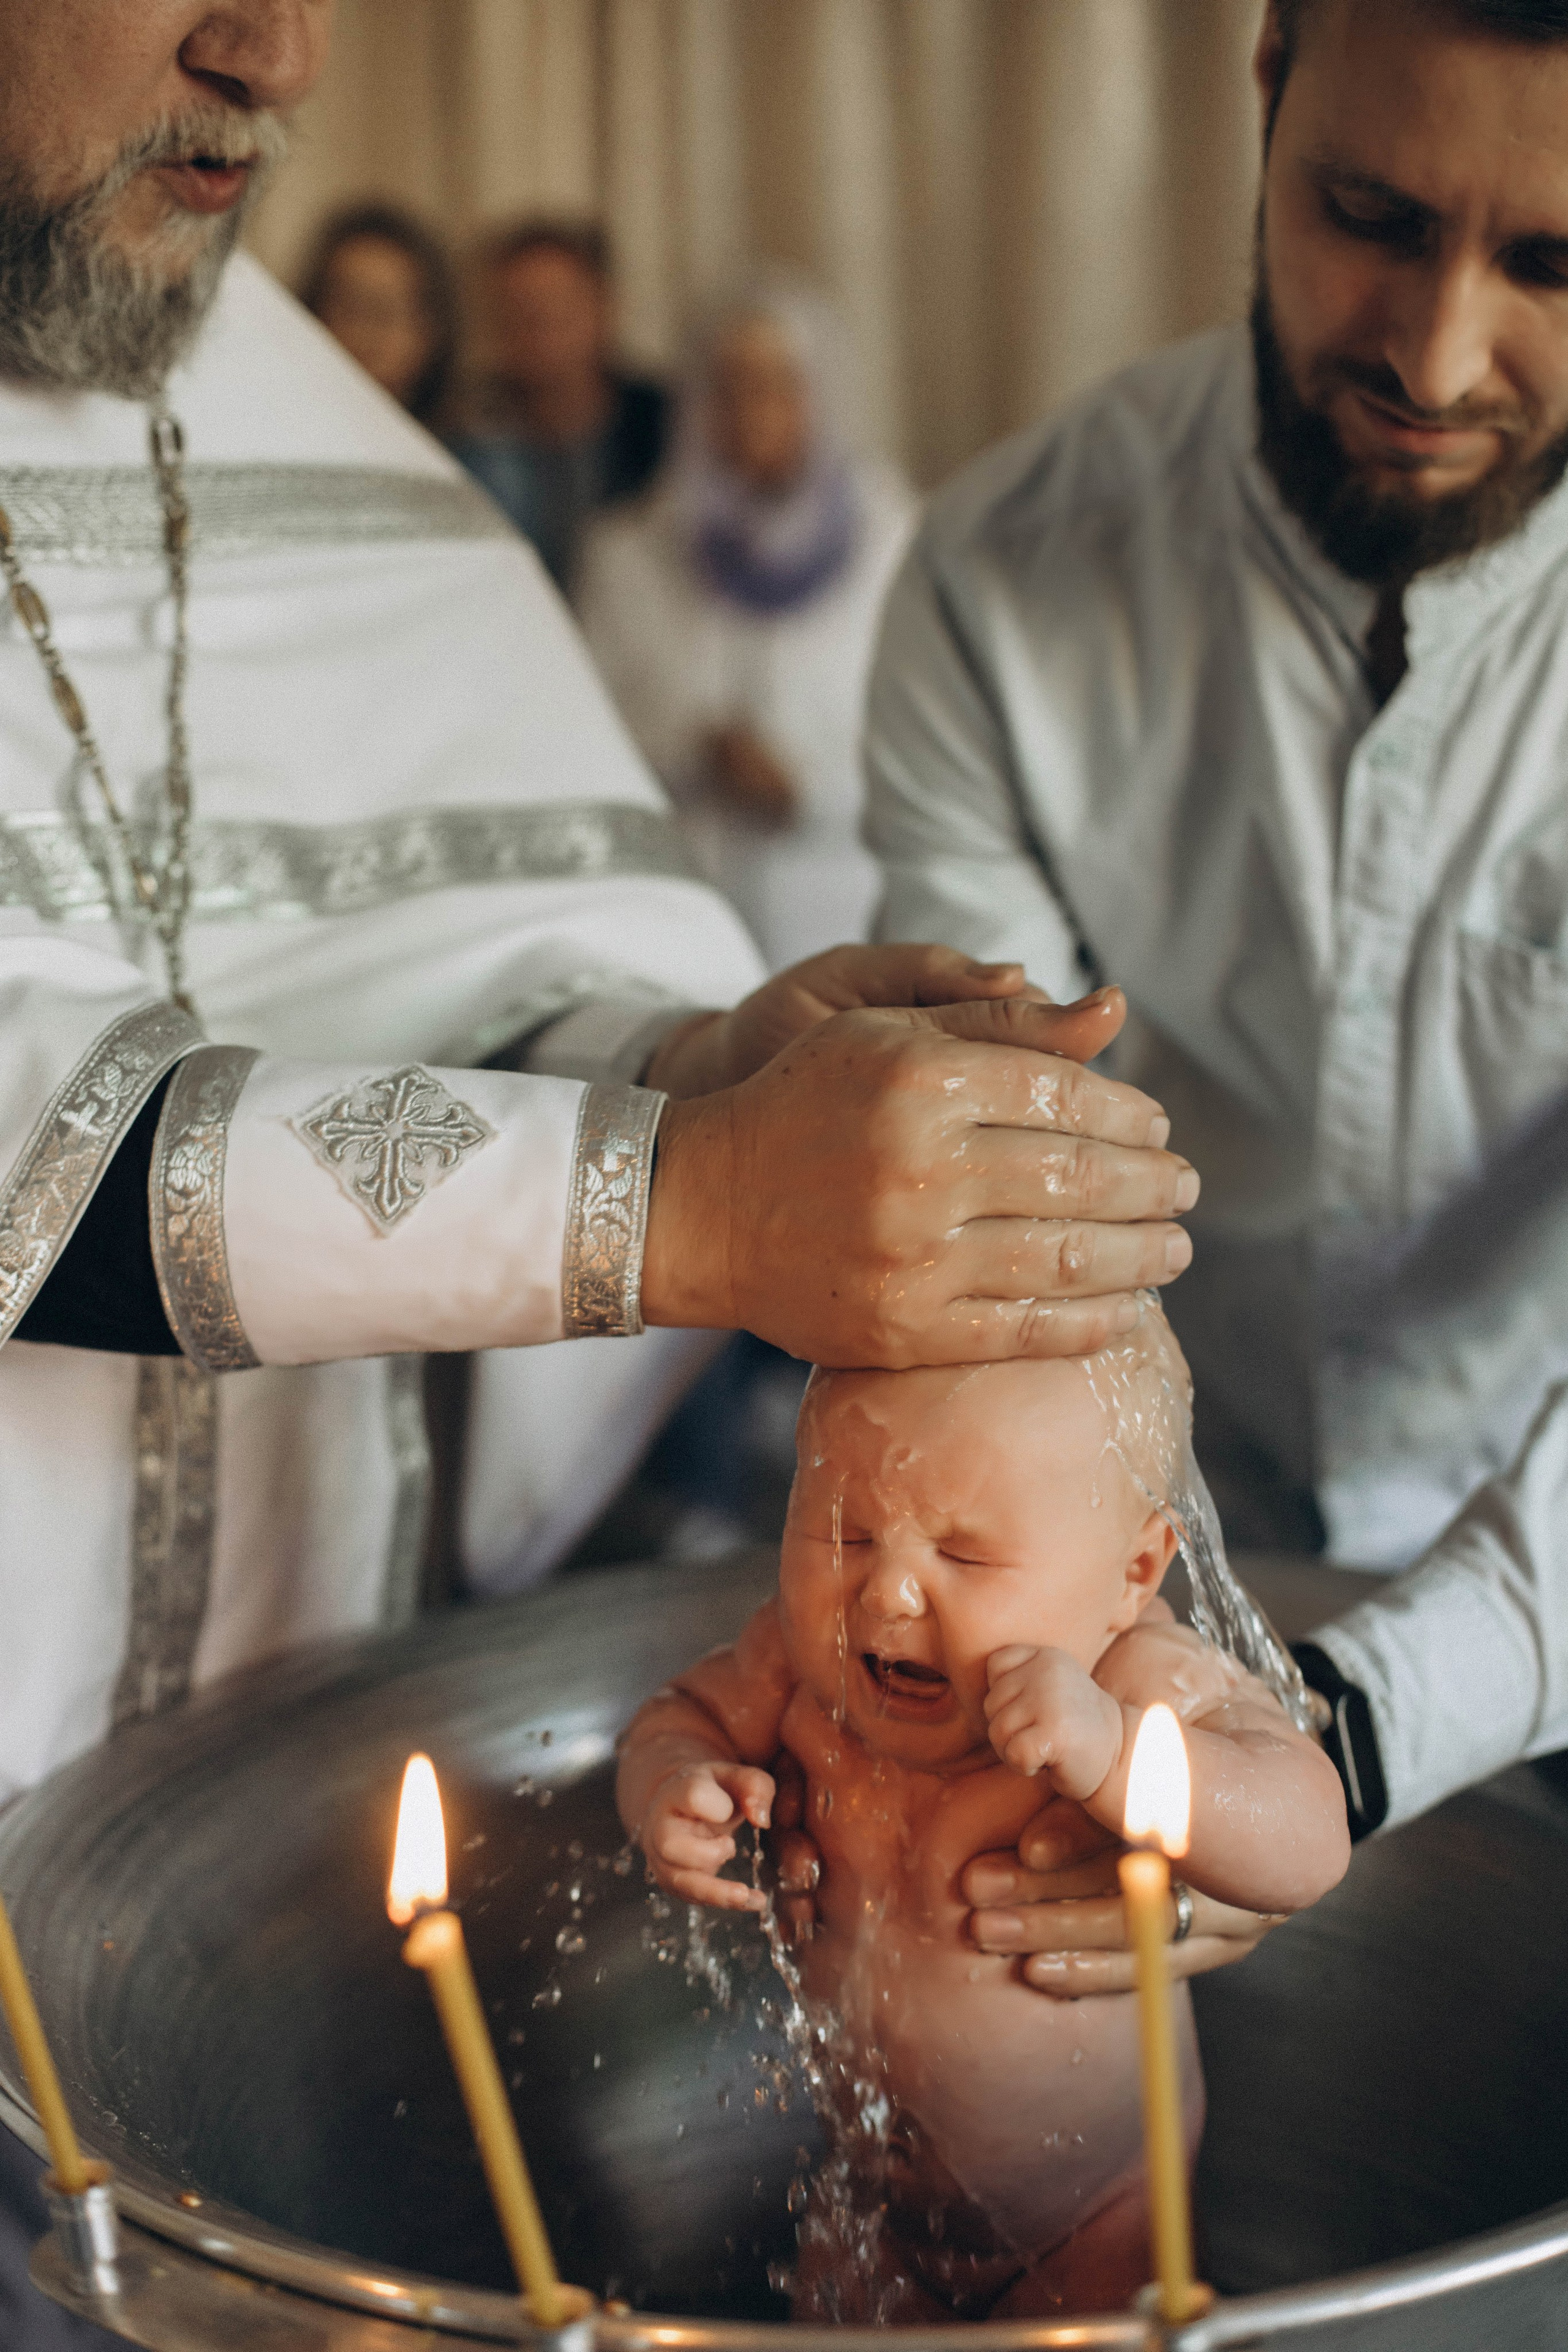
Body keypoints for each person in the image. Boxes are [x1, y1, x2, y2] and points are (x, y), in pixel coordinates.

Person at [0, 7, 1197, 2342]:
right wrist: (672, 1202)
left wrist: (687, 1067)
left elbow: (437, 967)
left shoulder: (286, 424)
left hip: (270, 1852)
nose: (285, 53)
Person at [862, 0, 1568, 1981]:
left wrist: (1330, 1729)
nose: (1435, 360)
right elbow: (998, 1238)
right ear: (1266, 87)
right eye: (1370, 215)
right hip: (1129, 1595)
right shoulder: (1000, 589)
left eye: (1553, 265)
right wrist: (1175, 1670)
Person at [619, 1311, 1348, 2320]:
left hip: (1096, 2217)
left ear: (1132, 1575)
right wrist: (676, 1783)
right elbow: (677, 1715)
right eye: (846, 1532)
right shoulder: (794, 1662)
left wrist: (1118, 1755)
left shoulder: (1133, 1681)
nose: (889, 1593)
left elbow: (1311, 1837)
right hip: (870, 2204)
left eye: (964, 1556)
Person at [579, 279, 917, 970]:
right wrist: (692, 748)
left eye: (779, 383)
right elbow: (585, 734)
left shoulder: (893, 541)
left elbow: (927, 734)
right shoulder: (630, 551)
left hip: (850, 912)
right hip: (687, 924)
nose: (752, 410)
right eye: (729, 386)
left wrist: (809, 789)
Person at [447, 220, 668, 596]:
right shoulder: (471, 441)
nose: (541, 328)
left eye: (560, 306)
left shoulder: (667, 426)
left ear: (605, 310)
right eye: (519, 311)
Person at [298, 200, 457, 426]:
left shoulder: (469, 456)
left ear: (432, 331)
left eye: (386, 313)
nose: (366, 336)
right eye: (351, 311)